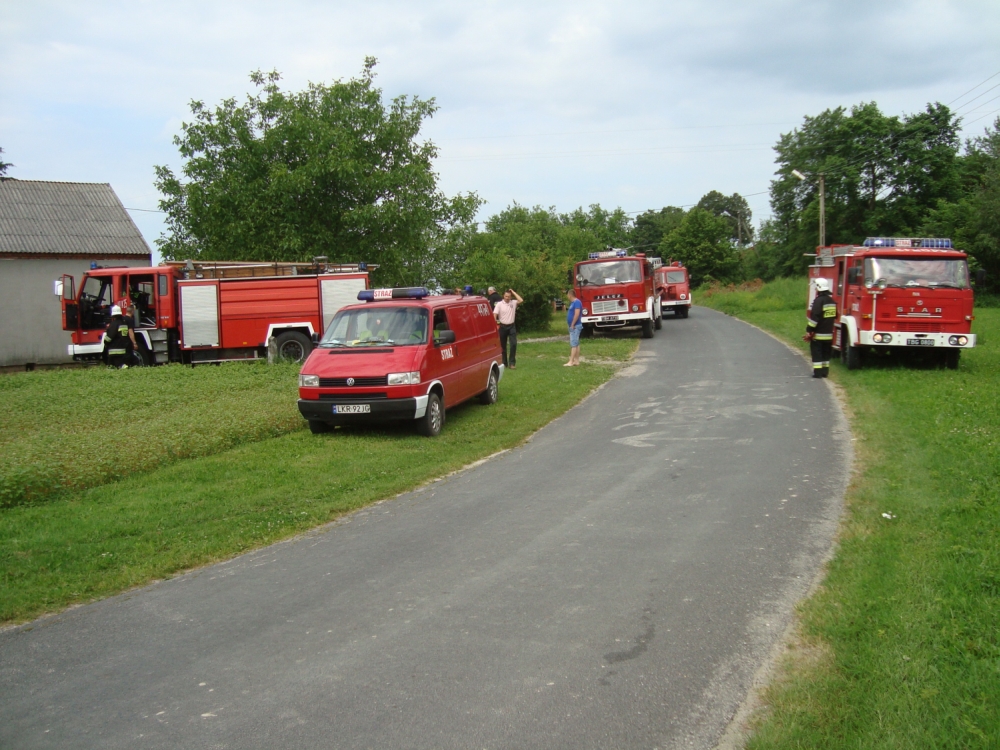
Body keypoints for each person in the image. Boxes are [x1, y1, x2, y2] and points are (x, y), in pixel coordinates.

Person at [804, 278, 836, 378]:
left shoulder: (819, 301)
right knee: (826, 354)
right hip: (829, 335)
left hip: (818, 335)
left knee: (817, 353)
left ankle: (817, 373)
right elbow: (834, 316)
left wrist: (809, 330)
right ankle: (825, 372)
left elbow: (815, 318)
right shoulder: (832, 301)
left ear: (819, 287)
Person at [493, 288, 522, 369]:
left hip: (512, 326)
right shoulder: (499, 304)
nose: (507, 298)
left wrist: (513, 291)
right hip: (502, 326)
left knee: (513, 344)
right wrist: (495, 324)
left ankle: (512, 363)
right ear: (503, 296)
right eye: (506, 296)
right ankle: (504, 363)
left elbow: (521, 300)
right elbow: (495, 314)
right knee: (503, 346)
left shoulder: (513, 302)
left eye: (509, 296)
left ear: (510, 296)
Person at [564, 288, 583, 366]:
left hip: (575, 326)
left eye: (568, 295)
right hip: (572, 326)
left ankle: (571, 361)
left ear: (570, 295)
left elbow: (577, 314)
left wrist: (572, 324)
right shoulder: (572, 303)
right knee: (576, 343)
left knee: (573, 343)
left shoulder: (577, 302)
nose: (567, 297)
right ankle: (576, 360)